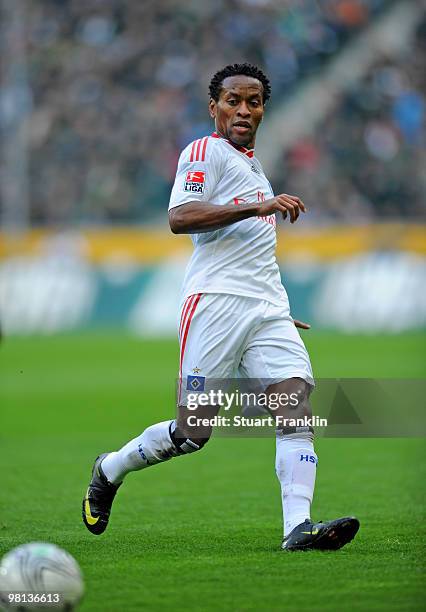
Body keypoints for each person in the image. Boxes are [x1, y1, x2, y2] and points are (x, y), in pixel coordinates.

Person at [82, 63, 359, 551]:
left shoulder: (255, 168)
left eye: (253, 102)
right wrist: (256, 207)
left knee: (294, 408)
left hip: (265, 310)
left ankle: (298, 528)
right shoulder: (204, 151)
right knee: (193, 432)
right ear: (214, 107)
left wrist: (272, 310)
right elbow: (180, 217)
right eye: (233, 100)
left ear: (263, 110)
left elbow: (249, 251)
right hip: (213, 306)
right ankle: (110, 468)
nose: (243, 110)